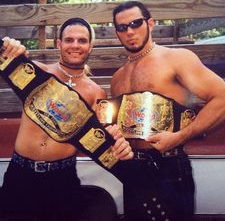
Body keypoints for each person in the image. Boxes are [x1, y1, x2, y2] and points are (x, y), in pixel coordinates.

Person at [111, 1, 225, 221]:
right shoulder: (117, 77)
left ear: (150, 23)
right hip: (133, 169)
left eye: (136, 23)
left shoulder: (176, 58)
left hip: (169, 166)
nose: (129, 31)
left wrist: (179, 137)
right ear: (117, 33)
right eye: (122, 27)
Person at [0, 18, 133, 220]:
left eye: (82, 40)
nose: (75, 45)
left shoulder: (96, 93)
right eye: (69, 40)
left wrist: (119, 143)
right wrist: (9, 48)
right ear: (59, 44)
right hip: (20, 173)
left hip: (62, 178)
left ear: (90, 46)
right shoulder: (35, 71)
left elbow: (107, 134)